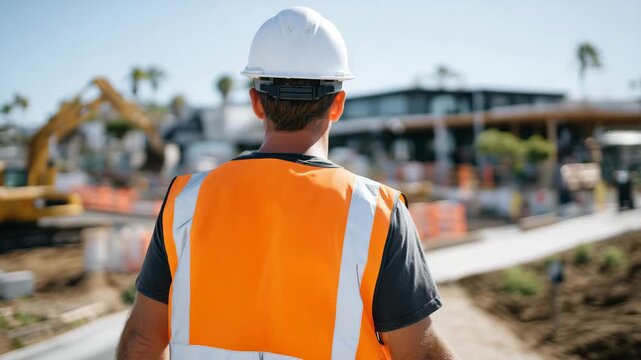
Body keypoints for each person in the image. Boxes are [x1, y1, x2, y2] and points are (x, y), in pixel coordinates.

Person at [117, 7, 456, 360]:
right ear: (338, 104)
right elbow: (422, 355)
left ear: (256, 103)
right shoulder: (376, 212)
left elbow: (141, 342)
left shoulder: (185, 202)